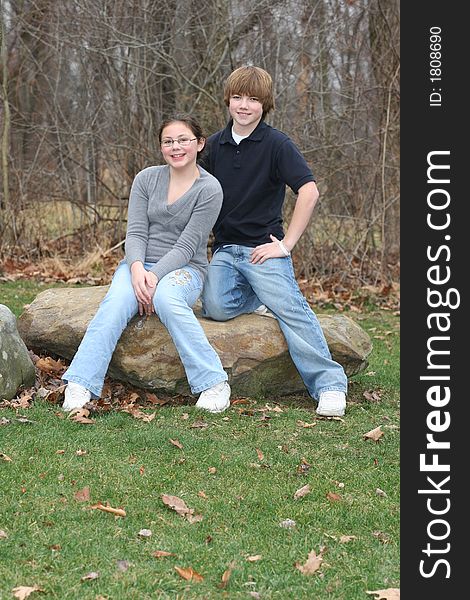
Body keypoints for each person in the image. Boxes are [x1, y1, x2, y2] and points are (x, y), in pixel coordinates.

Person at [200, 66, 348, 416]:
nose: (244, 105)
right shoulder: (215, 146)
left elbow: (309, 192)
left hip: (263, 250)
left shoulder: (276, 144)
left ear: (265, 104)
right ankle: (256, 296)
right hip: (224, 248)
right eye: (237, 97)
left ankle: (329, 385)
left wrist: (285, 245)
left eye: (253, 99)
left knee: (290, 309)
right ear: (228, 100)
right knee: (215, 307)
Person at [62, 115, 231, 414]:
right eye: (168, 141)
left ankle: (214, 382)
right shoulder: (146, 178)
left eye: (183, 140)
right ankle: (81, 382)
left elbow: (187, 246)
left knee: (167, 298)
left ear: (200, 143)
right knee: (115, 303)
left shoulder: (210, 189)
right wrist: (137, 268)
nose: (175, 147)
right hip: (138, 264)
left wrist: (152, 278)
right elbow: (136, 232)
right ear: (161, 147)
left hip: (186, 269)